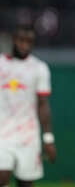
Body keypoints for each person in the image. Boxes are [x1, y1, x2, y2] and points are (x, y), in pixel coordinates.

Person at [0, 26, 56, 187]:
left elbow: (43, 105)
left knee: (25, 183)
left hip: (28, 135)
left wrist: (48, 138)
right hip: (2, 134)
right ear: (13, 40)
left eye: (29, 41)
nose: (25, 45)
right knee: (2, 176)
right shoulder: (1, 64)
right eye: (21, 40)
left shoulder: (39, 68)